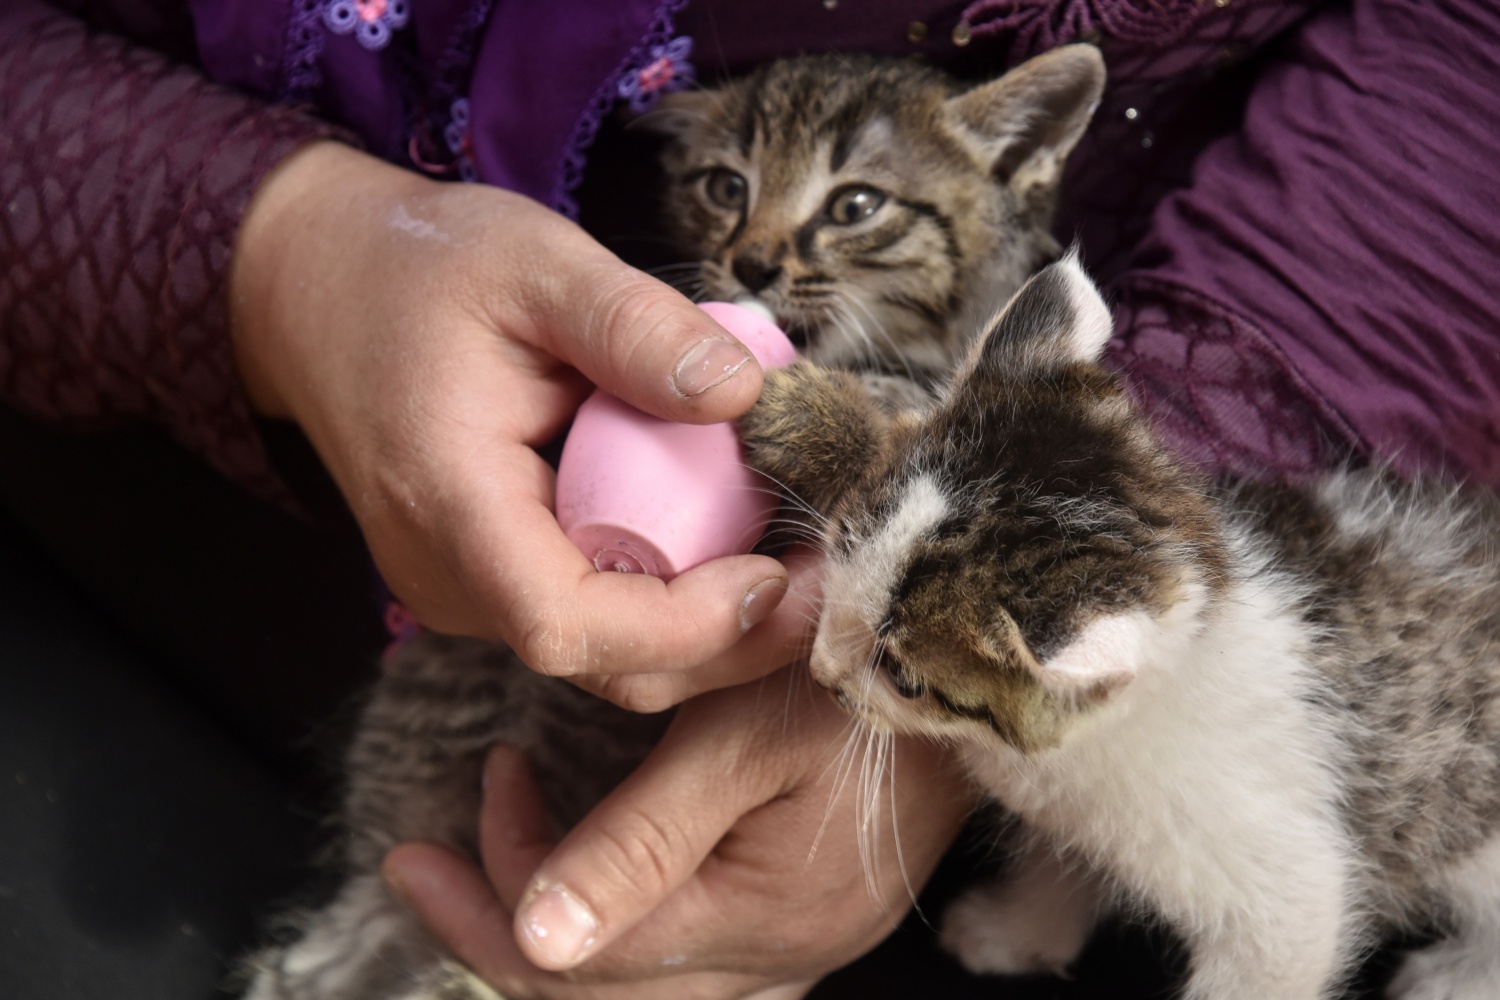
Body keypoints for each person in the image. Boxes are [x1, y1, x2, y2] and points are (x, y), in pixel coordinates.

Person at [2, 1, 1497, 998]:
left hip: (989, 721)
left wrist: (976, 640)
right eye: (729, 199)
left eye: (847, 210)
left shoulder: (980, 399)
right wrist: (276, 252)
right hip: (165, 490)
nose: (767, 260)